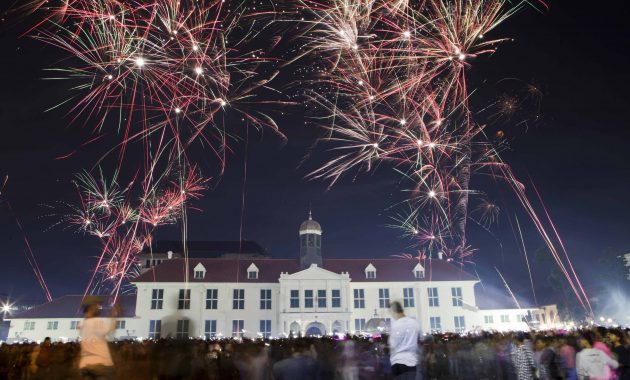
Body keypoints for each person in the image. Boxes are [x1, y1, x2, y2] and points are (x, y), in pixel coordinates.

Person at [78, 296, 120, 380]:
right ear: (91, 307)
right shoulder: (97, 322)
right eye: (97, 306)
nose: (99, 308)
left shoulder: (81, 324)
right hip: (101, 364)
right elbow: (112, 327)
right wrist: (114, 314)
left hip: (85, 364)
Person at [388, 300, 420, 380]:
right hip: (412, 361)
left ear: (393, 311)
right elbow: (418, 340)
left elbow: (393, 344)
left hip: (398, 361)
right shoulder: (414, 322)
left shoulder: (396, 324)